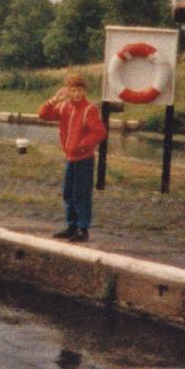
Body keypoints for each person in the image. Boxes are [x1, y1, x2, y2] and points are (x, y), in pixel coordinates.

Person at [37, 72, 107, 242]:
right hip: (70, 158)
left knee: (81, 193)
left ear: (85, 91)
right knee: (68, 192)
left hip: (84, 159)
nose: (77, 94)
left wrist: (82, 145)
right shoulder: (64, 107)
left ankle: (83, 229)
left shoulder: (89, 109)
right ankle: (72, 226)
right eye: (74, 90)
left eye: (80, 90)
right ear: (67, 91)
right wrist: (54, 99)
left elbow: (100, 132)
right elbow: (43, 114)